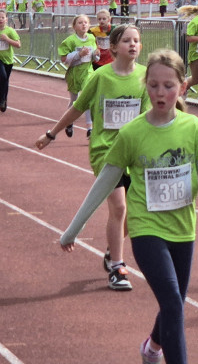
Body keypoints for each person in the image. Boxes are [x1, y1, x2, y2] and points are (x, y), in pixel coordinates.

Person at [59, 49, 198, 364]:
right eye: (153, 85)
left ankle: (152, 349)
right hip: (147, 229)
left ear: (182, 87)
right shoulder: (132, 133)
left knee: (174, 303)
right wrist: (73, 229)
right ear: (145, 87)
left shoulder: (194, 128)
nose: (160, 92)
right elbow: (104, 183)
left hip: (184, 228)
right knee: (174, 304)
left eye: (168, 85)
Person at [38, 24, 150, 291]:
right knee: (119, 207)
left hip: (134, 153)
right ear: (113, 47)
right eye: (126, 41)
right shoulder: (100, 77)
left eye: (136, 41)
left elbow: (147, 118)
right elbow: (78, 107)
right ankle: (118, 268)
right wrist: (51, 134)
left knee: (135, 213)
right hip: (106, 151)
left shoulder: (146, 76)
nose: (132, 45)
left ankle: (113, 251)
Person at [58, 14, 97, 137]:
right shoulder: (70, 41)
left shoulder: (91, 38)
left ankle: (90, 128)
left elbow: (94, 57)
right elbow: (64, 58)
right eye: (80, 22)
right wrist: (79, 54)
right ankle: (69, 121)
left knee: (88, 98)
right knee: (74, 101)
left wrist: (96, 54)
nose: (83, 24)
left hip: (88, 72)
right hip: (74, 74)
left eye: (85, 22)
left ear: (89, 25)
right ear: (74, 26)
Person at [0, 9, 21, 112]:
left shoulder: (10, 31)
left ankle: (4, 100)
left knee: (5, 80)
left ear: (6, 19)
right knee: (3, 76)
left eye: (3, 17)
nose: (1, 19)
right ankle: (1, 99)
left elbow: (18, 44)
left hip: (8, 59)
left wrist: (7, 39)